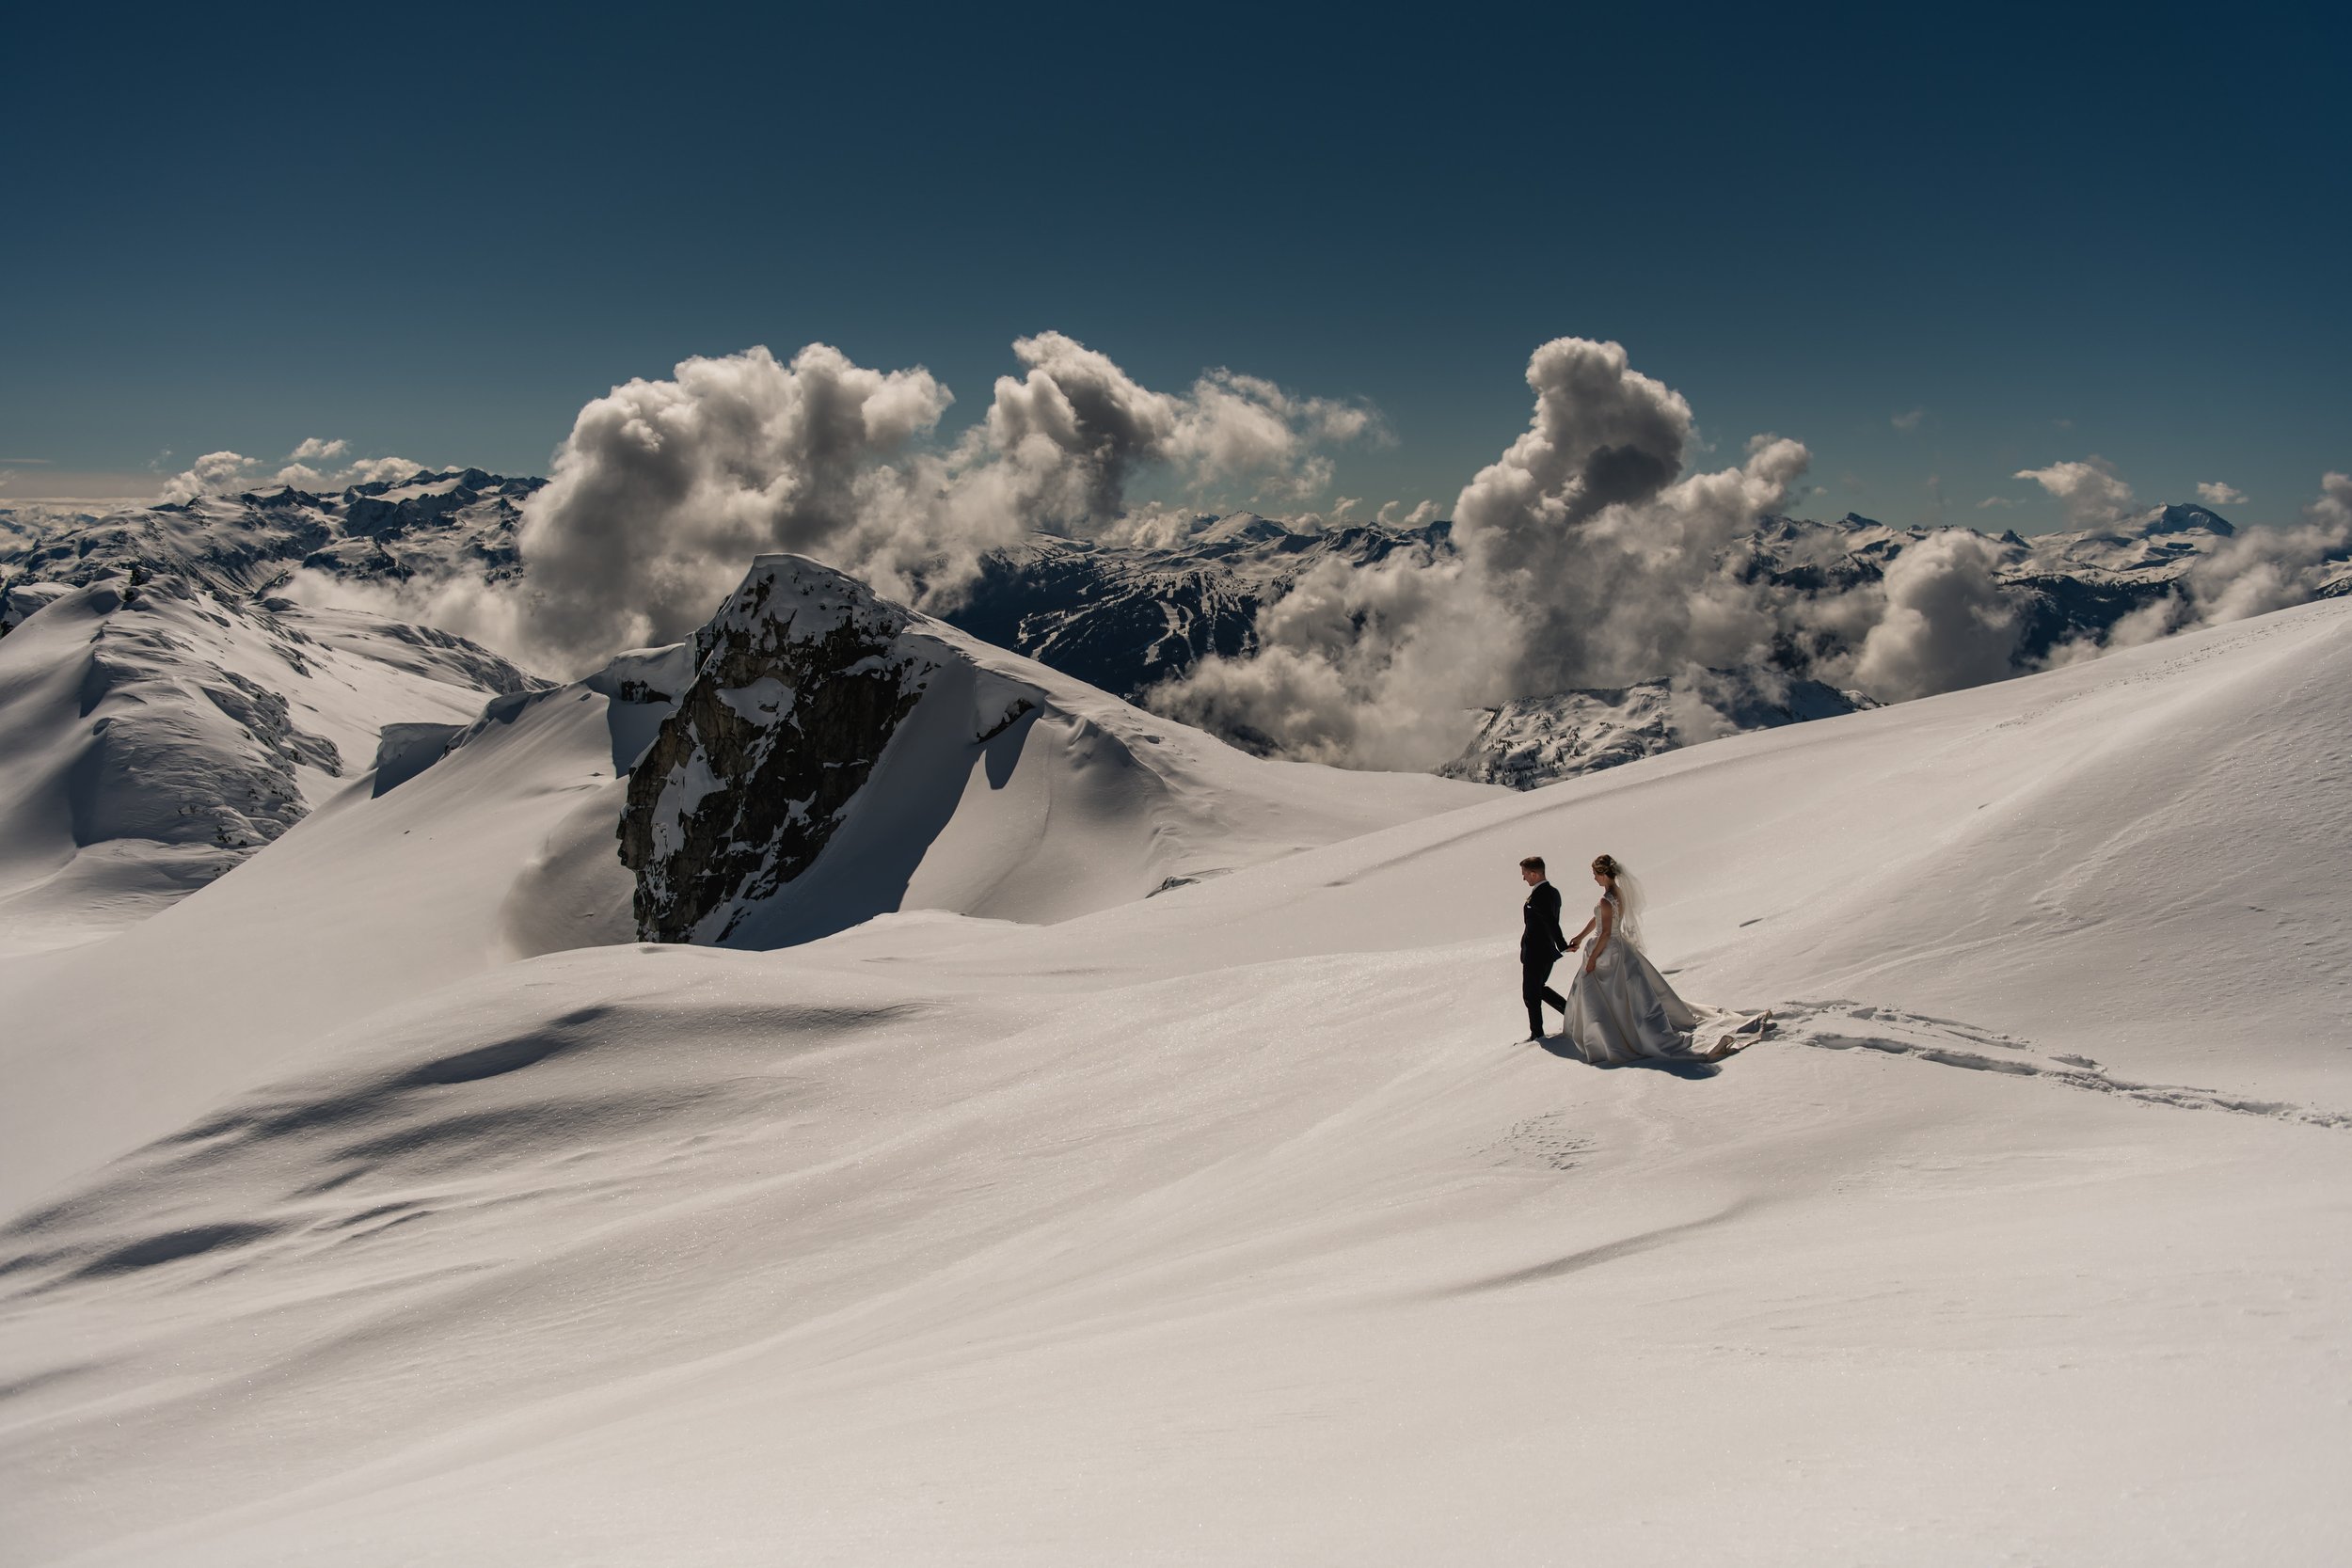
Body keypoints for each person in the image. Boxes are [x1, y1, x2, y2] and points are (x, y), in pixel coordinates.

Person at [1559, 853, 1765, 1064]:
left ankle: (1609, 1036)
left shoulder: (1605, 899)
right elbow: (1600, 919)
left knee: (1605, 993)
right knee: (1625, 993)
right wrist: (1581, 937)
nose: (1593, 878)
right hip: (1618, 947)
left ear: (1603, 874)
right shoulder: (1616, 893)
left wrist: (1592, 958)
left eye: (1594, 874)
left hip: (1607, 951)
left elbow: (1604, 932)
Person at [1517, 855, 1570, 1040]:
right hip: (1543, 950)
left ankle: (1537, 1034)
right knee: (1537, 989)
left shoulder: (1541, 895)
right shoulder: (1553, 892)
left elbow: (1550, 921)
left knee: (1531, 994)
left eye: (1524, 874)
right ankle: (1571, 1013)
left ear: (1534, 873)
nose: (1523, 878)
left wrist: (1562, 944)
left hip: (1538, 952)